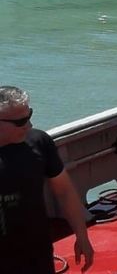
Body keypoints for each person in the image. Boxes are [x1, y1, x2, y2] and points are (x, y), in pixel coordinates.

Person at [0, 86, 95, 273]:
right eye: (20, 121)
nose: (29, 125)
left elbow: (65, 191)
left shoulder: (39, 142)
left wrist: (82, 235)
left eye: (29, 116)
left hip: (37, 252)